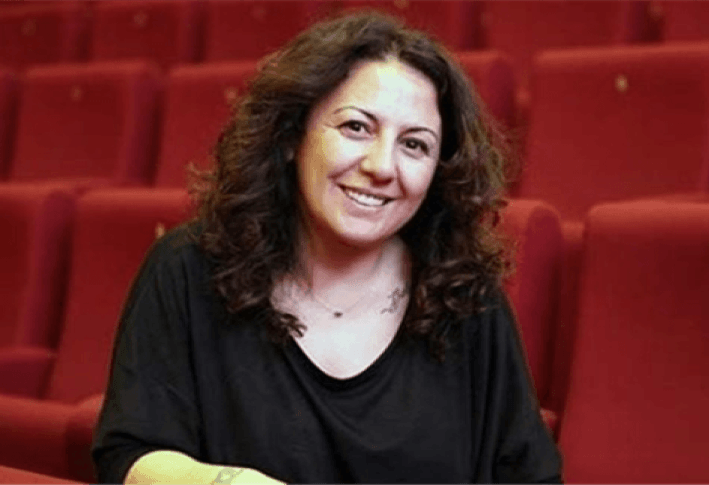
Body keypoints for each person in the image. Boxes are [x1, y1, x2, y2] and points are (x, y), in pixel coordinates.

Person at [92, 11, 563, 485]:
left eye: (414, 145)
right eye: (356, 127)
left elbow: (531, 476)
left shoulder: (468, 299)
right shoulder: (188, 268)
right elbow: (130, 453)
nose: (382, 166)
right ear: (291, 136)